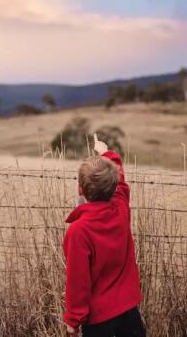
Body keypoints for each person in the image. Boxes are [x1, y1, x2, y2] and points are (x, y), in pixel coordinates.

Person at [63, 134, 145, 337]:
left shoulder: (78, 231)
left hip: (98, 320)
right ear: (114, 185)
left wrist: (73, 320)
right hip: (129, 309)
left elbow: (77, 282)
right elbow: (121, 180)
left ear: (80, 189)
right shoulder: (120, 208)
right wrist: (107, 153)